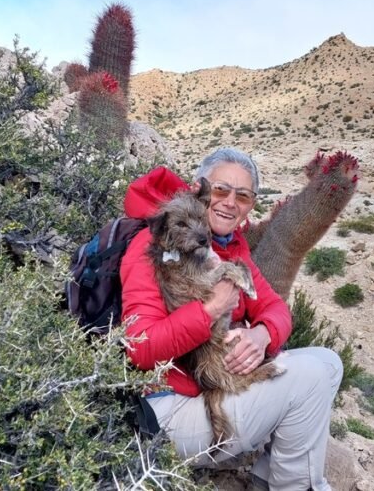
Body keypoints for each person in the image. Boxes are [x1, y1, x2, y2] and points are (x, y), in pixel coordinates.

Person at [120, 147, 343, 490]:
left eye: (243, 195)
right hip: (168, 413)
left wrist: (262, 336)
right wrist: (211, 310)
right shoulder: (150, 247)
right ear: (201, 190)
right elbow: (140, 347)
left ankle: (265, 480)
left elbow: (276, 309)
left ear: (251, 204)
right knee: (310, 377)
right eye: (221, 190)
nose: (229, 202)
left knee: (328, 361)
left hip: (211, 388)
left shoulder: (230, 248)